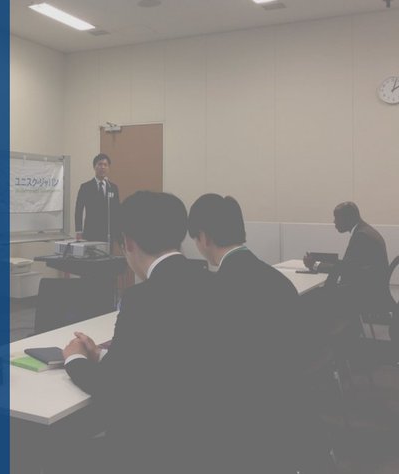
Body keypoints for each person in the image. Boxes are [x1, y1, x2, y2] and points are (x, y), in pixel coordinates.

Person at [62, 191, 211, 473]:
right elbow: (163, 360)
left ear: (128, 242)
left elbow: (113, 387)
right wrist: (102, 355)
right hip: (205, 440)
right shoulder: (212, 282)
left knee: (60, 447)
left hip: (151, 449)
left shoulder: (142, 299)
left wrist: (74, 359)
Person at [188, 193, 307, 473]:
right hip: (284, 419)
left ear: (204, 237)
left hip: (236, 432)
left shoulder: (214, 292)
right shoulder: (278, 281)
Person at [304, 201, 396, 317]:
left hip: (364, 294)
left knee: (311, 297)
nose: (334, 222)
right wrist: (322, 263)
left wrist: (315, 265)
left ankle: (331, 327)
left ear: (348, 218)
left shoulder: (361, 236)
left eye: (337, 218)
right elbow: (351, 265)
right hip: (370, 289)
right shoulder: (365, 231)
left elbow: (346, 269)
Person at [74, 153, 120, 243]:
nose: (103, 167)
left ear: (108, 168)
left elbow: (116, 210)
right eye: (100, 164)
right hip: (91, 232)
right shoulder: (85, 187)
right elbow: (79, 210)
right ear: (94, 167)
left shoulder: (113, 187)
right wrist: (78, 230)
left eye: (105, 165)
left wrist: (118, 231)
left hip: (108, 233)